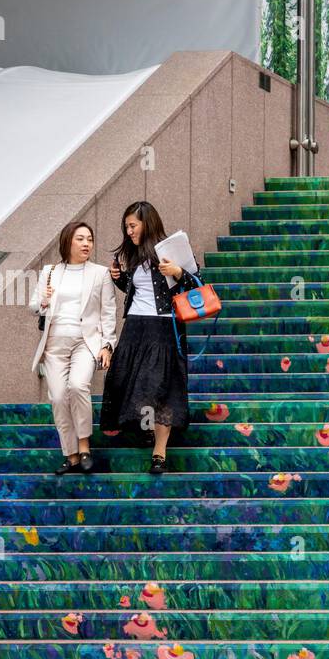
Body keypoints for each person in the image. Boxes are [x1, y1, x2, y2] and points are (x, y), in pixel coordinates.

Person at [100, 200, 203, 475]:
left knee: (161, 387)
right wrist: (120, 278)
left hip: (163, 328)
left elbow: (196, 284)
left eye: (132, 226)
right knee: (129, 382)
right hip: (134, 327)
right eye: (127, 227)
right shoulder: (134, 256)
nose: (129, 232)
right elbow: (137, 292)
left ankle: (160, 451)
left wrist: (178, 272)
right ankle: (144, 429)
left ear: (148, 222)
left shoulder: (170, 249)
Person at [29, 221, 118, 475]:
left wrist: (107, 346)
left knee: (78, 386)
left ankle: (84, 446)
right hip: (54, 344)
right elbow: (33, 306)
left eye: (89, 239)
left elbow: (108, 314)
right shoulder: (50, 271)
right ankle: (71, 455)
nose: (86, 243)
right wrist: (44, 300)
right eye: (80, 239)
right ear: (68, 241)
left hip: (85, 342)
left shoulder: (100, 274)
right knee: (58, 397)